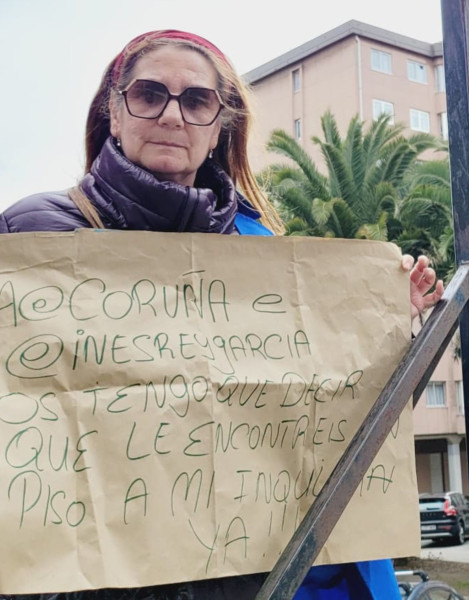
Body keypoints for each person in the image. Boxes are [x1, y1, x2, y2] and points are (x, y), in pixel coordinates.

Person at [0, 30, 443, 600]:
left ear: (217, 128)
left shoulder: (264, 250)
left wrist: (382, 329)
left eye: (196, 101)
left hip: (244, 577)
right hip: (90, 578)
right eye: (148, 93)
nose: (171, 115)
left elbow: (320, 413)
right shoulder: (31, 233)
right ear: (114, 112)